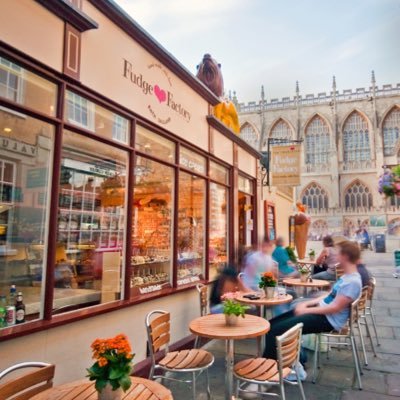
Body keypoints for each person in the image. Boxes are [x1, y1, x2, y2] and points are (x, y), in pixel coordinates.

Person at [263, 240, 362, 361]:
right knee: (271, 325)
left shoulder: (352, 282)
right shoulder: (347, 277)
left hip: (327, 320)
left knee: (276, 331)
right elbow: (329, 295)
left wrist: (306, 310)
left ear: (345, 256)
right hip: (322, 313)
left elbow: (335, 308)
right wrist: (306, 304)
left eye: (338, 254)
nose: (336, 257)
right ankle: (294, 361)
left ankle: (273, 367)